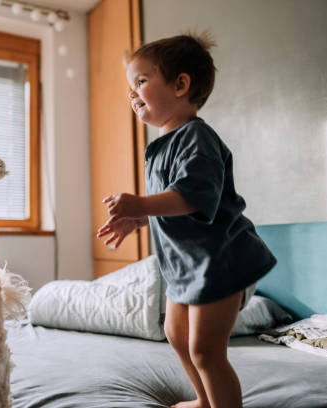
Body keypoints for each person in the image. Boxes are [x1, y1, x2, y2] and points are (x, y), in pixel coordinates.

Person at [97, 32, 276, 408]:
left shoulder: (197, 137)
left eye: (141, 82)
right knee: (175, 334)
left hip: (222, 261)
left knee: (206, 349)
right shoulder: (161, 147)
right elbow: (174, 205)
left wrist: (140, 204)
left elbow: (193, 196)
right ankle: (203, 399)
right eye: (131, 87)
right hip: (188, 266)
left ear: (180, 85)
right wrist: (139, 219)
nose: (132, 94)